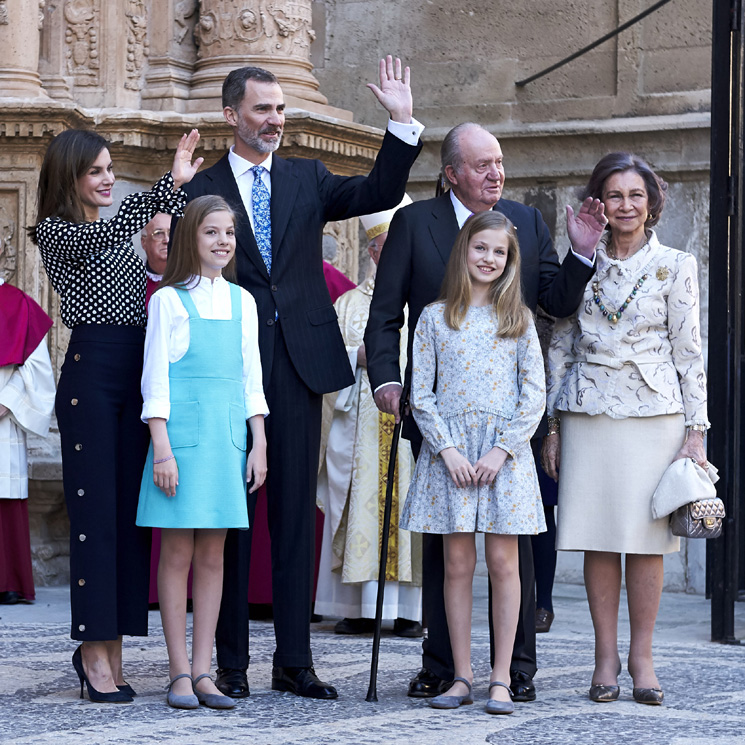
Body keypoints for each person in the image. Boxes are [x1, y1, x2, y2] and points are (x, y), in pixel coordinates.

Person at [178, 58, 423, 700]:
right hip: (226, 366)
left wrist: (399, 123)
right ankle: (227, 661)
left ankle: (293, 660)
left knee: (291, 517)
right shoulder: (199, 187)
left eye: (280, 109)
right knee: (230, 520)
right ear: (231, 115)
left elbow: (373, 193)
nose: (275, 120)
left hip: (295, 362)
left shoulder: (306, 177)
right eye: (262, 109)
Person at [364, 121, 606, 701]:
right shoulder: (413, 222)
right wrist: (388, 383)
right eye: (482, 164)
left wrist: (581, 252)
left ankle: (514, 670)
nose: (496, 173)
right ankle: (443, 666)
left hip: (505, 431)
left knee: (510, 550)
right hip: (439, 413)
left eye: (500, 162)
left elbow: (554, 301)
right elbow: (384, 314)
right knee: (448, 548)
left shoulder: (524, 221)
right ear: (451, 173)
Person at [30, 127, 202, 703]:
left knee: (131, 520)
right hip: (92, 377)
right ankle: (92, 649)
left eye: (109, 169)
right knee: (95, 519)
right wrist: (167, 184)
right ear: (70, 177)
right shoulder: (57, 233)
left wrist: (176, 189)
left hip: (136, 374)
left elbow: (151, 227)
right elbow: (123, 222)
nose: (107, 179)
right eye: (97, 171)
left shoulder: (114, 232)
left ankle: (116, 646)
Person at [543, 152, 708, 706]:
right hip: (587, 414)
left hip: (653, 416)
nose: (626, 205)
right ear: (599, 203)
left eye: (636, 195)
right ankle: (604, 657)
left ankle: (642, 657)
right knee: (597, 537)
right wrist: (553, 424)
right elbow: (561, 342)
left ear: (652, 202)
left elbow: (690, 353)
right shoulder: (582, 261)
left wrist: (696, 431)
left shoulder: (676, 265)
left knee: (644, 543)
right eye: (615, 195)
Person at [401, 211, 546, 715]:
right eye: (480, 248)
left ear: (510, 261)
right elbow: (421, 392)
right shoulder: (435, 317)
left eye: (499, 252)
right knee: (457, 564)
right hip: (453, 459)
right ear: (464, 251)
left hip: (502, 458)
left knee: (506, 564)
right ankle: (460, 675)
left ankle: (502, 676)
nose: (488, 258)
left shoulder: (519, 321)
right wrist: (447, 449)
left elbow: (533, 395)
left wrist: (502, 449)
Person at [137, 196, 268, 710]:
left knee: (214, 553)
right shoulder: (168, 301)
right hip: (182, 443)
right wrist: (162, 450)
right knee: (177, 553)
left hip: (226, 440)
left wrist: (258, 443)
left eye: (229, 233)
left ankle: (203, 670)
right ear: (192, 237)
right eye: (211, 232)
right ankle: (176, 671)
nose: (222, 242)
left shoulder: (243, 301)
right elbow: (156, 382)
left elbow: (250, 381)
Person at [315, 198, 423, 637]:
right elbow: (327, 363)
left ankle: (411, 611)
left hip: (410, 423)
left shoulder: (422, 302)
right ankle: (358, 607)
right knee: (360, 504)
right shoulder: (347, 305)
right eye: (385, 247)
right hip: (359, 422)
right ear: (373, 251)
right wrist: (356, 356)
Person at [0, 279, 55, 604]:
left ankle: (8, 580)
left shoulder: (16, 302)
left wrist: (7, 401)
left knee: (4, 497)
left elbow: (37, 367)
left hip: (4, 417)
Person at [141, 213, 171, 309]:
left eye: (171, 233)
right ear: (144, 242)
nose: (167, 240)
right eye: (158, 233)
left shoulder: (191, 279)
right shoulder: (133, 281)